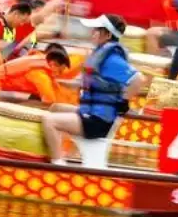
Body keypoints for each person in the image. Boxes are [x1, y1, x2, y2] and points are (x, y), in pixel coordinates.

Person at [39, 15, 145, 166]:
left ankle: (57, 163)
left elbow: (138, 79)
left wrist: (123, 101)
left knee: (49, 121)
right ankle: (65, 153)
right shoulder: (100, 54)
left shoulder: (112, 60)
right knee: (55, 108)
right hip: (90, 113)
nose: (92, 33)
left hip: (97, 122)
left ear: (107, 35)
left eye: (96, 30)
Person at [0, 45, 72, 104]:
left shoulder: (39, 60)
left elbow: (54, 87)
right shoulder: (40, 74)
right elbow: (49, 101)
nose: (59, 74)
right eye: (60, 71)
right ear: (53, 64)